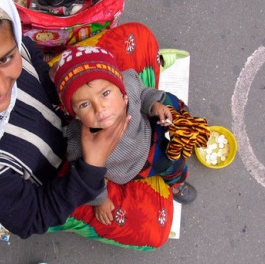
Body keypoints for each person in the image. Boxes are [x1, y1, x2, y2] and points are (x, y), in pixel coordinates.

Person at [0, 0, 175, 251]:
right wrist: (91, 168)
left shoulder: (6, 39)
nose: (1, 87)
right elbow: (32, 217)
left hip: (69, 109)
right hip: (61, 180)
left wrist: (68, 91)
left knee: (139, 37)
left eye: (6, 59)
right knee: (155, 228)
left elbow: (35, 60)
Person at [53, 46, 202, 225]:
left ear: (120, 87)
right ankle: (176, 183)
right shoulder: (80, 142)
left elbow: (143, 92)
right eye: (84, 105)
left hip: (147, 128)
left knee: (168, 102)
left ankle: (182, 118)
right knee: (172, 162)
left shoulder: (129, 84)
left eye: (105, 94)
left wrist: (153, 105)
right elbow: (87, 175)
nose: (100, 109)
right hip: (136, 164)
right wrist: (100, 200)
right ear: (75, 114)